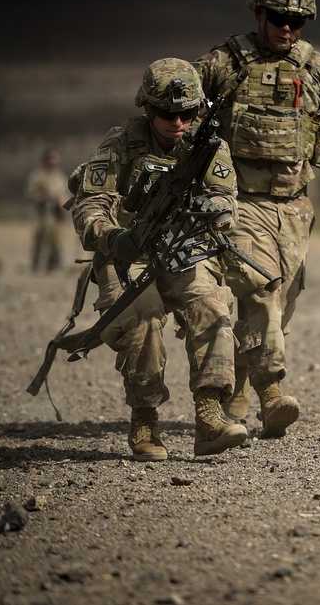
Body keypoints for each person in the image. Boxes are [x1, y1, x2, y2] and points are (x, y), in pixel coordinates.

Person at [194, 0, 320, 437]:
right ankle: (271, 394)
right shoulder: (225, 62)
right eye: (278, 17)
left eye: (297, 21)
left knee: (282, 302)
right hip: (236, 201)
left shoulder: (318, 70)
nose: (286, 28)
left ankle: (240, 384)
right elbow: (175, 112)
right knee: (262, 291)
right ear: (259, 13)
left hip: (294, 209)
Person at [69, 57, 246, 461]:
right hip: (127, 253)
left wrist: (214, 208)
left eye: (187, 113)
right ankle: (145, 419)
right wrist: (112, 235)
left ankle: (209, 418)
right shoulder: (120, 143)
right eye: (167, 113)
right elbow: (89, 205)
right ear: (147, 107)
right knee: (143, 317)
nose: (178, 122)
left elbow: (226, 197)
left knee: (212, 306)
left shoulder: (208, 146)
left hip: (182, 246)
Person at [26, 149, 70, 272]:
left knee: (57, 239)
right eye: (51, 159)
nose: (53, 162)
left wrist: (61, 200)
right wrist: (43, 196)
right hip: (43, 213)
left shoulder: (60, 176)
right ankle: (36, 265)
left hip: (57, 214)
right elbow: (31, 193)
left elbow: (65, 193)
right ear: (46, 160)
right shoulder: (37, 176)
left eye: (55, 159)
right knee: (40, 238)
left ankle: (54, 265)